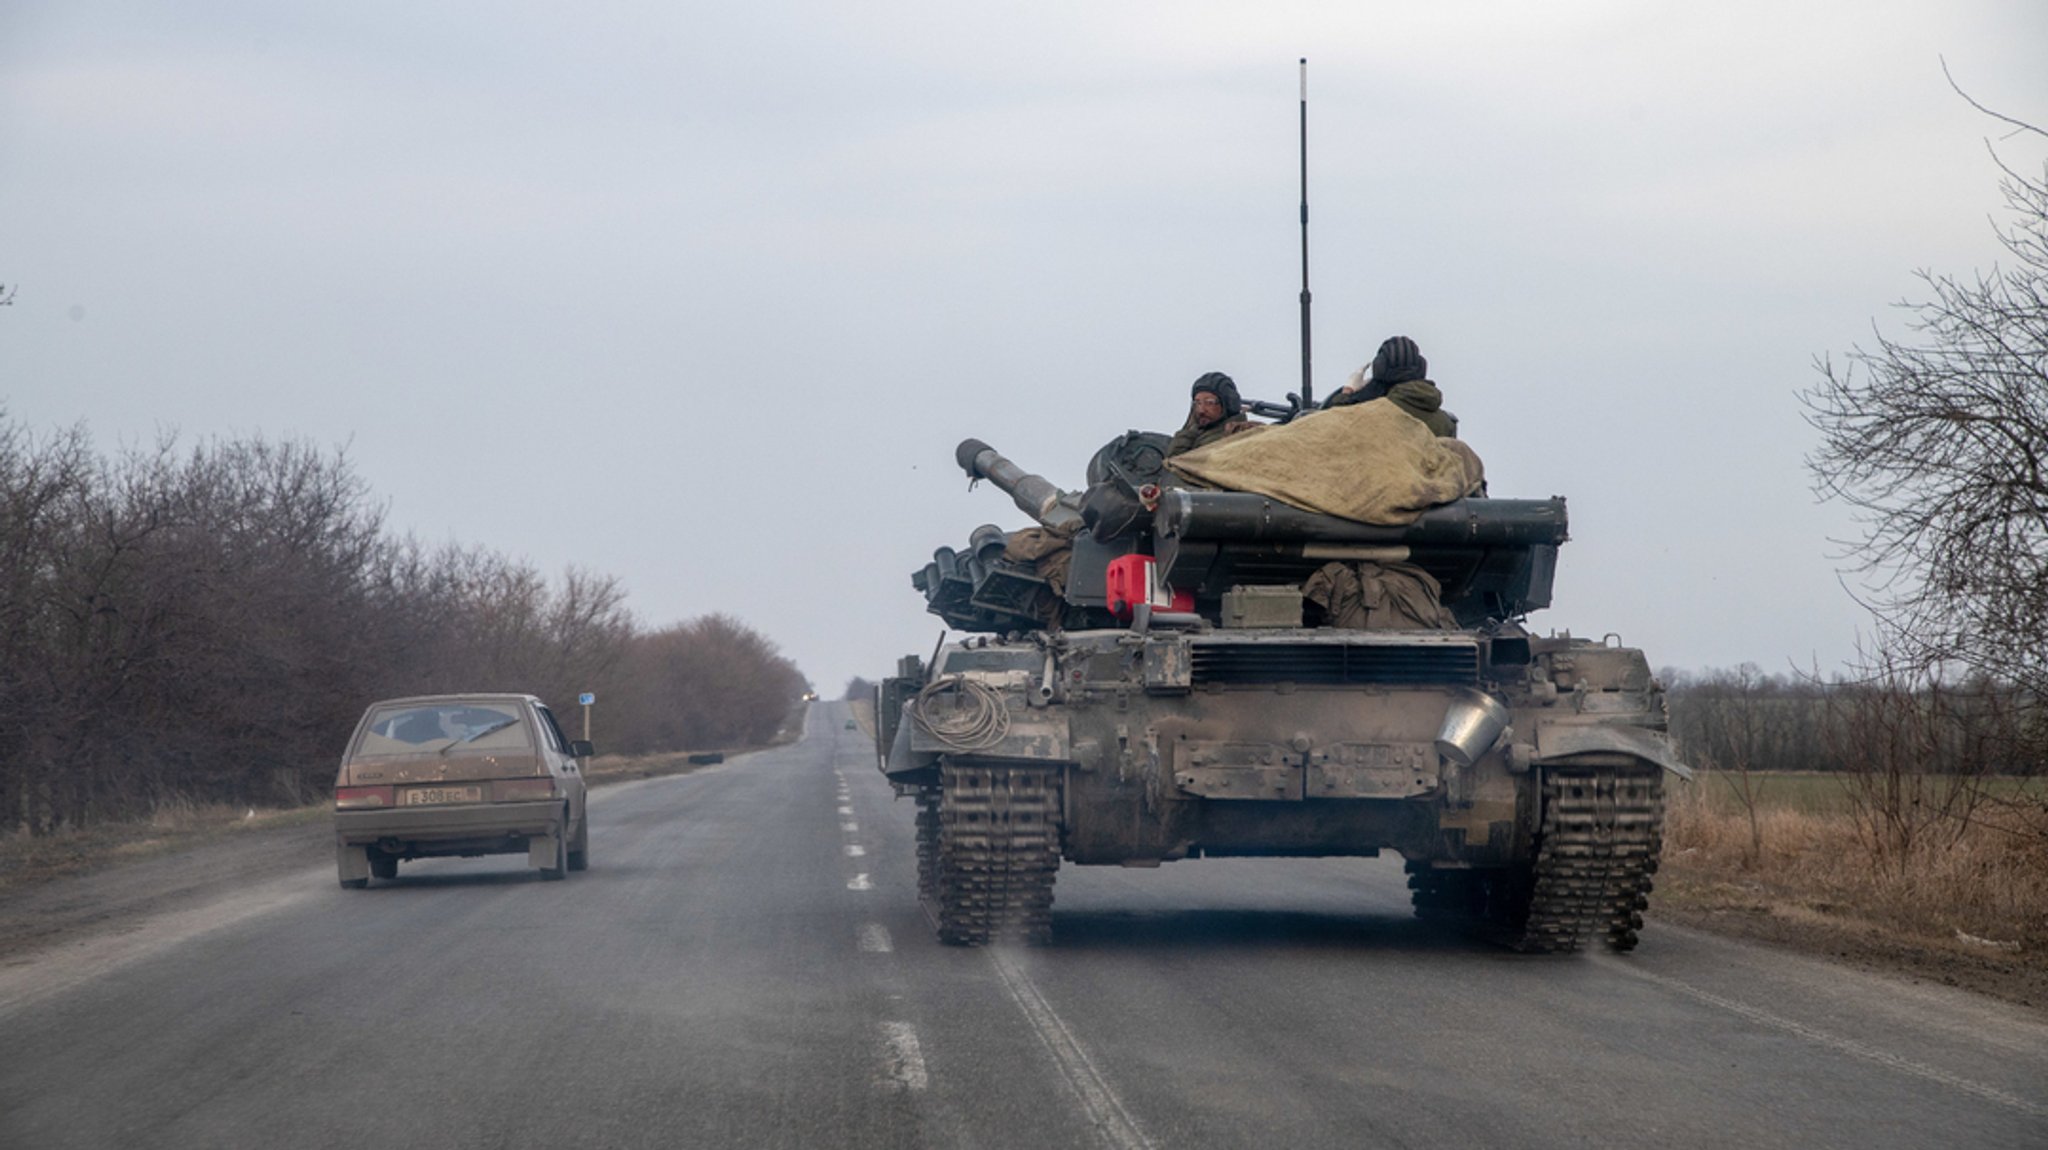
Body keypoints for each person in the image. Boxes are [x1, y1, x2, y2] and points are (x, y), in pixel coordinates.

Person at [1323, 335, 1458, 438]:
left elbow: (1330, 432)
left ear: (1380, 369)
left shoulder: (1373, 416)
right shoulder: (1446, 423)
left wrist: (1348, 392)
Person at [1166, 371, 1254, 457]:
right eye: (1198, 403)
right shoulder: (1194, 434)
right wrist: (1189, 430)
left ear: (1228, 405)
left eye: (1209, 403)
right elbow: (1174, 463)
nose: (1201, 410)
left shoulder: (1237, 435)